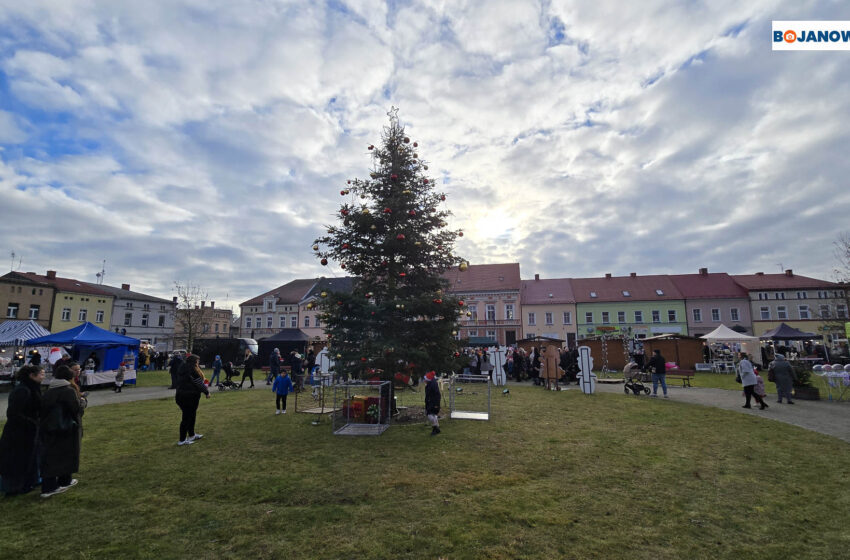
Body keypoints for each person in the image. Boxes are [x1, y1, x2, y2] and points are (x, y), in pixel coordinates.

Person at [39, 364, 85, 498]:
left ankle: (64, 480)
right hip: (65, 427)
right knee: (61, 455)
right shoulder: (67, 390)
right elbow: (75, 410)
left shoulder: (49, 390)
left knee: (54, 455)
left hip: (50, 428)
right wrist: (82, 402)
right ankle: (51, 486)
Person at [0, 365, 45, 496]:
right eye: (41, 374)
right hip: (19, 432)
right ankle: (15, 487)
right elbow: (13, 413)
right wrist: (31, 422)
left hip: (29, 430)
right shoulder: (22, 390)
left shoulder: (32, 388)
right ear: (32, 375)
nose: (43, 376)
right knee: (18, 460)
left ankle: (30, 481)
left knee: (31, 457)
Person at [175, 354, 210, 446]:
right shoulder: (192, 370)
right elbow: (198, 382)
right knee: (186, 417)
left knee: (191, 416)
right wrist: (206, 392)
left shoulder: (183, 368)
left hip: (181, 395)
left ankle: (192, 434)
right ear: (194, 362)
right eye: (197, 361)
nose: (198, 363)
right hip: (189, 396)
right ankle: (182, 440)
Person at [423, 370, 441, 436]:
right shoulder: (431, 383)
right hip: (430, 402)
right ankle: (436, 429)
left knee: (430, 415)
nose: (424, 380)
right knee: (433, 415)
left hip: (433, 403)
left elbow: (437, 395)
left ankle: (435, 429)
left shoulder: (432, 385)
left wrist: (436, 404)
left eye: (425, 379)